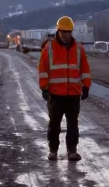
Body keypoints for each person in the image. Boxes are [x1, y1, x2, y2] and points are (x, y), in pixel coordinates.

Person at [38, 16, 92, 162]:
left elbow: (85, 69)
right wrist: (44, 88)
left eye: (69, 32)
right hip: (55, 95)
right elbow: (43, 70)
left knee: (73, 125)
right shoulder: (49, 49)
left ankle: (72, 151)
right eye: (64, 32)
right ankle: (53, 150)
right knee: (54, 124)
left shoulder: (79, 49)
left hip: (73, 94)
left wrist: (86, 86)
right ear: (58, 31)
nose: (66, 35)